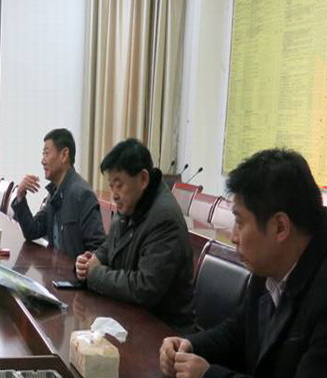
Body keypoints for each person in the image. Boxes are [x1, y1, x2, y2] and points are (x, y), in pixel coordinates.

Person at [159, 149, 327, 378]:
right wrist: (190, 347)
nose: (233, 235)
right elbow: (240, 331)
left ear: (280, 227)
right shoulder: (271, 264)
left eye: (239, 221)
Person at [75, 138, 194, 330]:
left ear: (143, 179)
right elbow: (109, 246)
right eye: (111, 186)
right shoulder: (131, 205)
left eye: (119, 185)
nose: (114, 194)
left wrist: (95, 275)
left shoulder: (164, 218)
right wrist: (90, 262)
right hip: (129, 318)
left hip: (164, 331)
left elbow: (145, 287)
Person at [11, 128, 105, 256]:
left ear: (64, 155)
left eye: (46, 153)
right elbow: (32, 231)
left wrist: (82, 263)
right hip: (53, 267)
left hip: (71, 269)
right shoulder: (54, 192)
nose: (42, 161)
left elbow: (98, 248)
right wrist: (20, 196)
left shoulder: (82, 194)